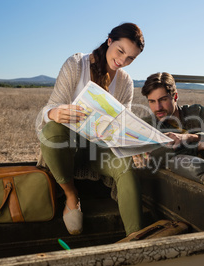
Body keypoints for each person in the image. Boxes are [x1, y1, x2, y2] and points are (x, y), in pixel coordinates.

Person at [36, 23, 145, 236]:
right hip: (68, 149)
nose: (122, 61)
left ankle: (138, 241)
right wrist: (54, 113)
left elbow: (122, 126)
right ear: (109, 40)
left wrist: (138, 143)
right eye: (120, 51)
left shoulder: (126, 83)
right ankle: (70, 195)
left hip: (99, 151)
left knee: (127, 165)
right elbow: (50, 107)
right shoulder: (76, 64)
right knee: (51, 131)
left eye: (130, 58)